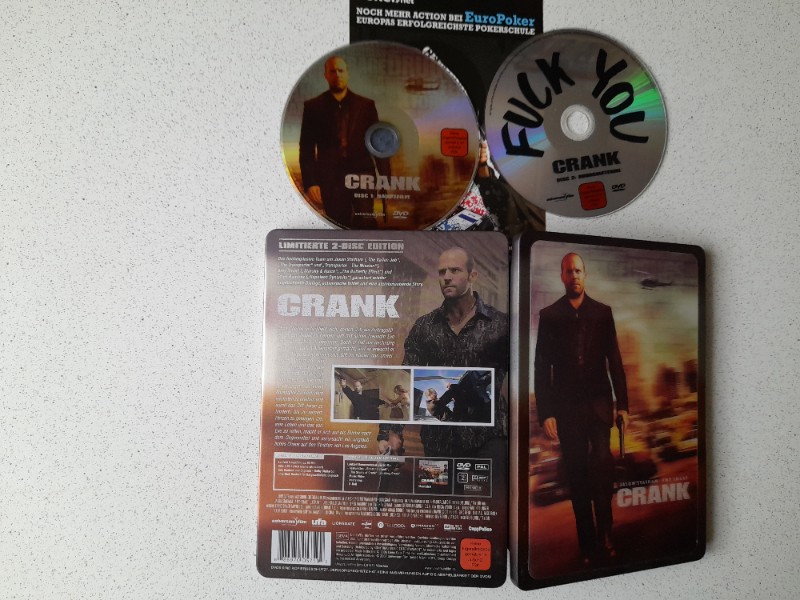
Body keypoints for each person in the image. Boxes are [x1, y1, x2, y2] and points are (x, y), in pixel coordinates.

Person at [534, 252, 630, 563]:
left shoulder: (603, 313)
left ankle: (606, 536)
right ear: (562, 277)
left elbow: (614, 360)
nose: (574, 275)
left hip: (599, 406)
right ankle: (588, 545)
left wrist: (623, 406)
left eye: (578, 270)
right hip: (567, 410)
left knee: (601, 469)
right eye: (568, 271)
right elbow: (541, 368)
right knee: (576, 476)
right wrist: (546, 412)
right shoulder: (550, 315)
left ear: (584, 275)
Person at [378, 247, 508, 458]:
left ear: (472, 276)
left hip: (488, 438)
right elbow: (407, 377)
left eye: (455, 270)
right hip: (439, 441)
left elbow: (521, 381)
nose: (447, 277)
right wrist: (391, 432)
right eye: (442, 272)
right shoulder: (424, 326)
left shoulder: (500, 324)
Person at [298, 55, 389, 228]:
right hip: (331, 179)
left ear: (347, 73)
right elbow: (306, 148)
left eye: (341, 70)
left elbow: (378, 142)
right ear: (326, 75)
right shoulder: (313, 107)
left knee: (366, 223)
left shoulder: (366, 105)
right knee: (338, 225)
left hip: (362, 174)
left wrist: (385, 177)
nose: (337, 75)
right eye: (332, 71)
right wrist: (311, 182)